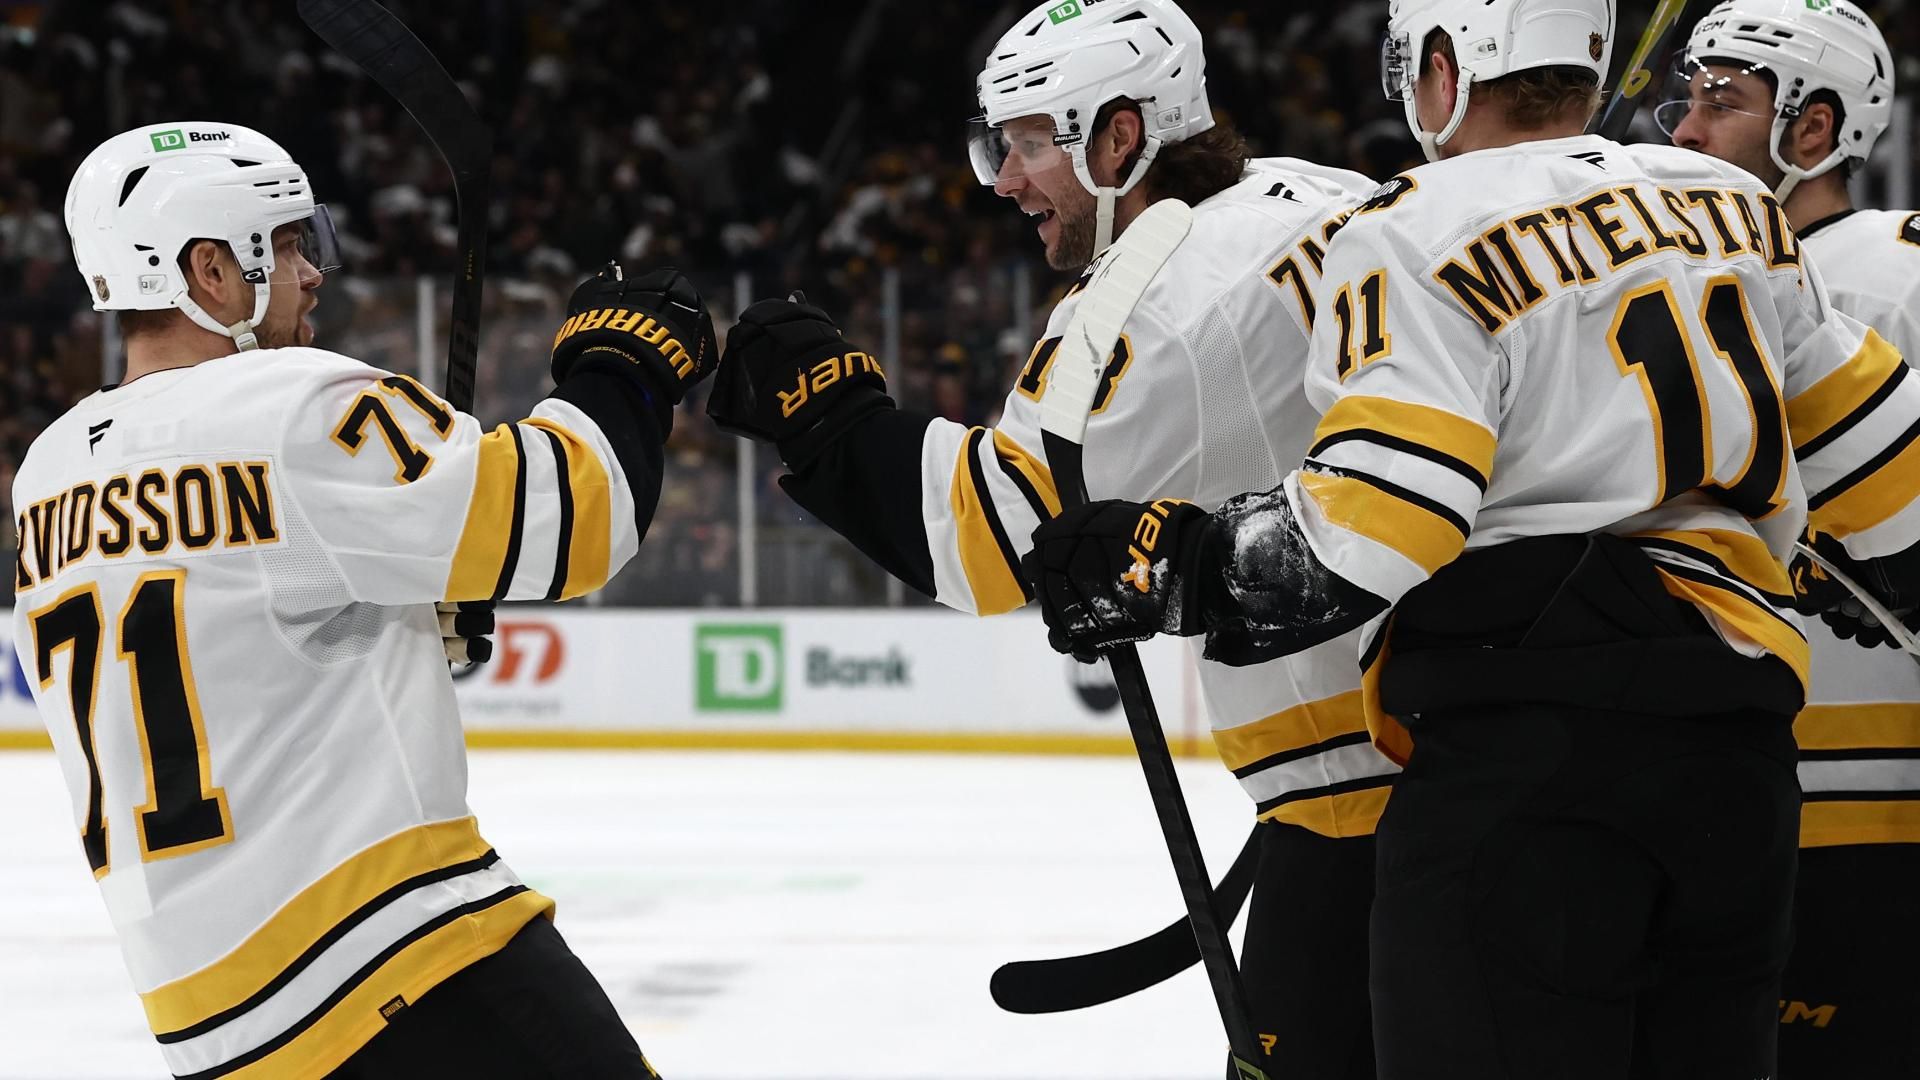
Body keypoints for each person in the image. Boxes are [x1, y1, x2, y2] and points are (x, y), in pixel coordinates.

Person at [1021, 0, 1920, 1074]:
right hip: (1741, 777)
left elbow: (1378, 527)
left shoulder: (1408, 227)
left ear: (1441, 73)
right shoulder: (1733, 208)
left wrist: (1167, 564)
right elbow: (1898, 487)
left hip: (1530, 776)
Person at [705, 2, 1384, 1074]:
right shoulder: (1325, 190)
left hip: (1364, 814)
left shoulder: (1151, 298)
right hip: (1475, 739)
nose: (1005, 181)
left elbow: (986, 536)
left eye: (1028, 145)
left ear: (1121, 138)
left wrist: (828, 417)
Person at [12, 121, 717, 1078]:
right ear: (209, 270)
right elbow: (576, 517)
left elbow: (241, 619)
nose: (312, 274)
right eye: (285, 245)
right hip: (393, 954)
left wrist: (407, 605)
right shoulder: (289, 405)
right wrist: (620, 361)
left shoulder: (50, 471)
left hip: (210, 1024)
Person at [1662, 2, 1920, 1074]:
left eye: (1722, 102)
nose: (1687, 130)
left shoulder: (1884, 274)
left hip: (1868, 803)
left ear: (1814, 130)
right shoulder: (1689, 279)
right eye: (1688, 99)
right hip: (1739, 789)